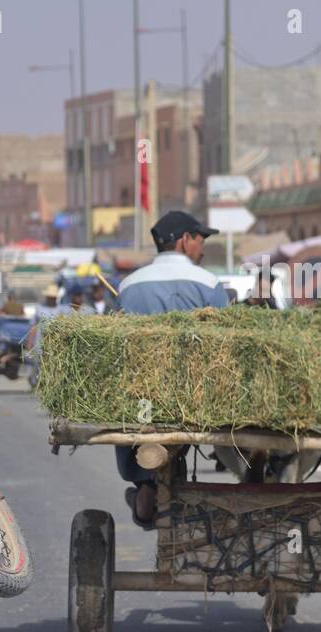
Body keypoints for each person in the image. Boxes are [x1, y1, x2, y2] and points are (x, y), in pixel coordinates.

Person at [116, 211, 230, 528]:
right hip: (200, 400)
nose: (203, 248)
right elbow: (227, 345)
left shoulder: (129, 285)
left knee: (132, 427)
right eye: (200, 239)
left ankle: (145, 489)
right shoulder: (209, 284)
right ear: (184, 240)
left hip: (144, 402)